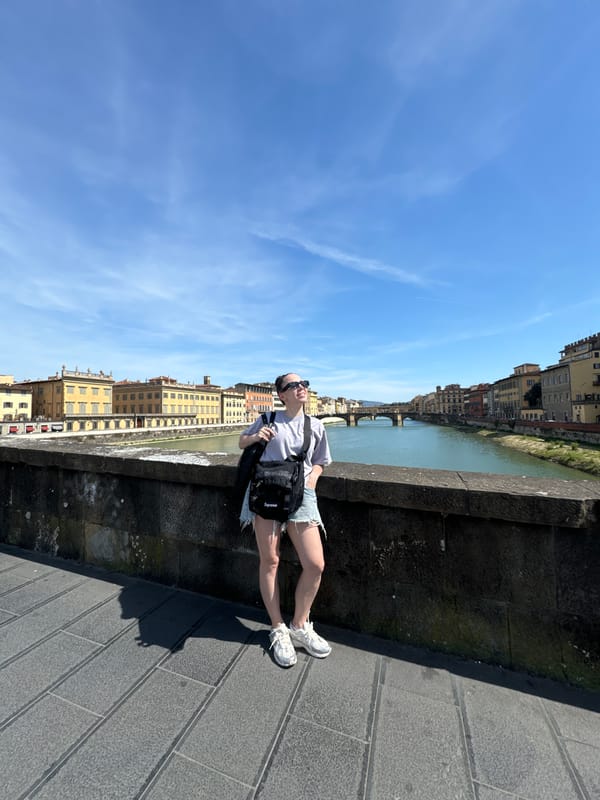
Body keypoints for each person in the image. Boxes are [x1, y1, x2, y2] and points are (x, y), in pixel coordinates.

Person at [239, 372, 332, 667]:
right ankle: (278, 628)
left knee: (315, 564)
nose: (302, 387)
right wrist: (256, 437)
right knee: (271, 561)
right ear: (282, 394)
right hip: (266, 494)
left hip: (301, 497)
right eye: (294, 385)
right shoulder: (267, 419)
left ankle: (300, 625)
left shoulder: (314, 425)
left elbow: (321, 461)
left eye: (304, 383)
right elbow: (242, 442)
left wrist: (313, 478)